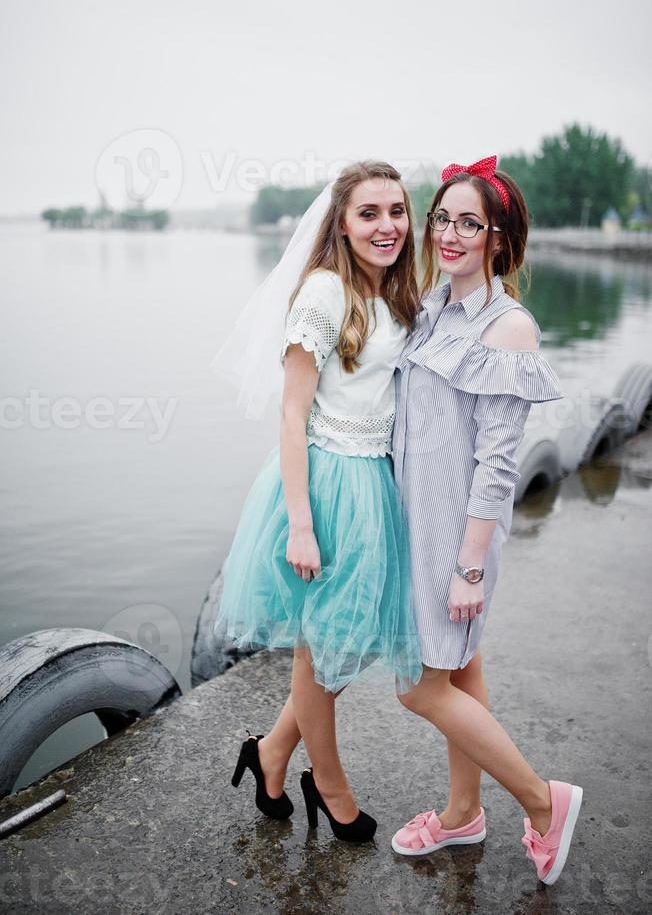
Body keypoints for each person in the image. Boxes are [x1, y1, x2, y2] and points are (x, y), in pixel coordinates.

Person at [212, 161, 424, 843]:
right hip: (324, 487)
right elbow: (291, 416)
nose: (387, 225)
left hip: (371, 483)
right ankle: (329, 788)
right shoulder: (326, 295)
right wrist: (301, 525)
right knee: (321, 649)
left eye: (396, 210)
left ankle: (271, 753)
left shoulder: (390, 292)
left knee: (332, 644)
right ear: (341, 223)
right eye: (369, 213)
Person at [390, 156, 583, 886]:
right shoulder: (432, 306)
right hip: (418, 523)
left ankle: (543, 802)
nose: (450, 233)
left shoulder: (509, 329)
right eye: (442, 217)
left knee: (417, 685)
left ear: (498, 239)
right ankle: (462, 812)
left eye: (470, 222)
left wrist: (469, 566)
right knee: (462, 672)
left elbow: (500, 467)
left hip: (456, 537)